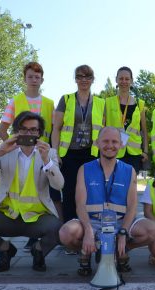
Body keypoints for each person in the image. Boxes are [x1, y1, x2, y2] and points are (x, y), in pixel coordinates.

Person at [0, 111, 64, 272]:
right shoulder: (6, 152)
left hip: (36, 217)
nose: (28, 133)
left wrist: (47, 161)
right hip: (7, 215)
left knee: (62, 231)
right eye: (23, 129)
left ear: (39, 133)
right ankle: (5, 249)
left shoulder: (49, 153)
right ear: (17, 131)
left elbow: (59, 185)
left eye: (33, 130)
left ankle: (38, 250)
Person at [58, 126, 155, 276]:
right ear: (97, 143)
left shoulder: (129, 170)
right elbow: (80, 204)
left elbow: (132, 206)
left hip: (119, 222)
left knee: (154, 229)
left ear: (121, 144)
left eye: (114, 141)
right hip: (92, 222)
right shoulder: (85, 169)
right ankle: (86, 250)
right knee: (66, 233)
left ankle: (121, 250)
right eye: (105, 141)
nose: (110, 146)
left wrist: (124, 232)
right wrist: (87, 231)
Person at [0, 62, 61, 250]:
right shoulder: (15, 101)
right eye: (30, 76)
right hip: (21, 156)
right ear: (24, 78)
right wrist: (12, 147)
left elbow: (55, 130)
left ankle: (40, 234)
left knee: (46, 192)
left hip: (43, 156)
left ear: (42, 80)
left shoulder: (49, 104)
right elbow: (2, 129)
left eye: (37, 77)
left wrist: (53, 153)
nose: (34, 80)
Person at [51, 65, 105, 224]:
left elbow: (103, 130)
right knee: (69, 193)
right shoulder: (66, 99)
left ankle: (90, 230)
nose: (84, 80)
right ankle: (70, 231)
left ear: (92, 80)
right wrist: (55, 154)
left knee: (91, 193)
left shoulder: (100, 103)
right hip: (69, 154)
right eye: (80, 77)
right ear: (75, 79)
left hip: (91, 154)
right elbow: (57, 128)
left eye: (87, 77)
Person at [105, 66, 149, 174]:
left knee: (131, 186)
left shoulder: (140, 104)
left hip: (134, 153)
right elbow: (103, 128)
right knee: (113, 186)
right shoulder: (107, 102)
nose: (124, 81)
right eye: (121, 78)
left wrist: (146, 151)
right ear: (116, 80)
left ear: (131, 81)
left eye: (127, 79)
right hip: (113, 151)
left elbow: (144, 130)